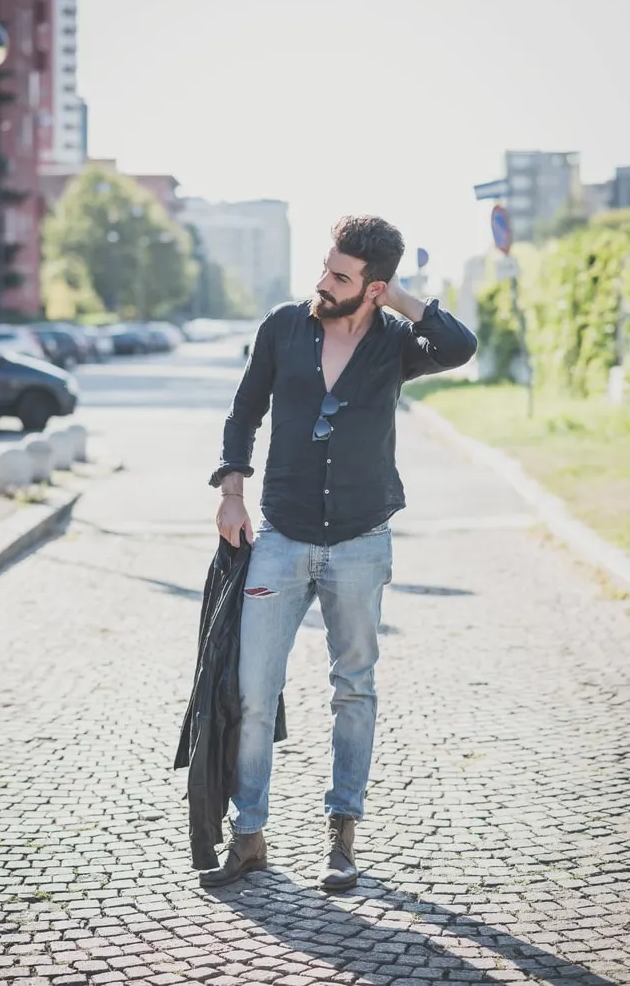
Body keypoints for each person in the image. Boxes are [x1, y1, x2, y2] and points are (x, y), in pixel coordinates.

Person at [201, 215, 477, 891]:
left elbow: (460, 346)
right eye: (325, 267)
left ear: (373, 287)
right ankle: (249, 835)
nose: (322, 282)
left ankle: (341, 837)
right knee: (253, 689)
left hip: (360, 541)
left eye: (341, 276)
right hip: (280, 536)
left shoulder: (395, 344)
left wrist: (402, 299)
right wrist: (231, 490)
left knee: (353, 688)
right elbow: (243, 412)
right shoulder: (283, 327)